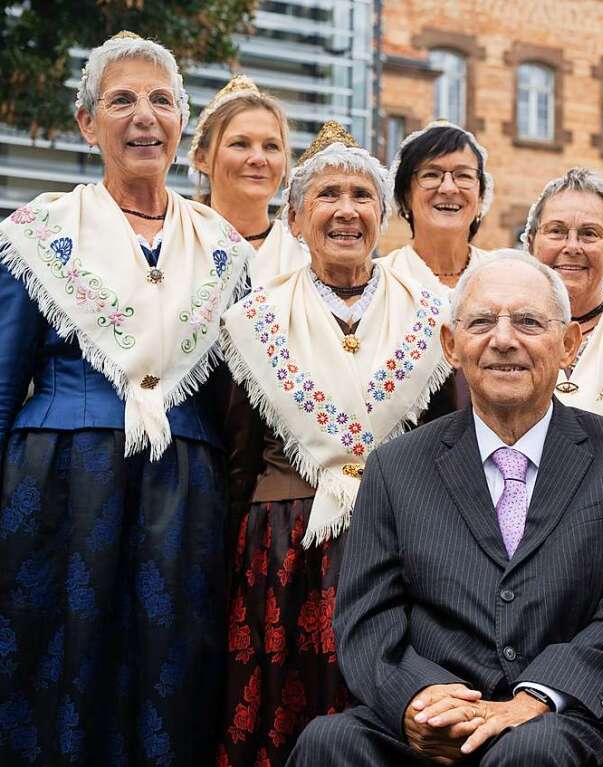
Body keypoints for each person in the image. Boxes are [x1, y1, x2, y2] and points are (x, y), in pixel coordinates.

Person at [288, 250, 603, 766]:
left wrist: (537, 697)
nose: (503, 340)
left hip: (573, 722)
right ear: (452, 345)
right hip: (439, 722)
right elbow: (367, 618)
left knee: (533, 751)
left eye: (527, 321)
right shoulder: (394, 466)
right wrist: (421, 699)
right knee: (329, 742)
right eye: (481, 322)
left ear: (568, 345)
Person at [0, 31, 251, 765]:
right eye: (122, 101)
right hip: (57, 487)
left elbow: (237, 401)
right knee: (58, 665)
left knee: (171, 671)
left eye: (161, 101)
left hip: (185, 494)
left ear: (180, 122)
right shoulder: (40, 233)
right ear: (87, 123)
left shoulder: (225, 249)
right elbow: (5, 378)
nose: (144, 116)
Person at [217, 122, 451, 767]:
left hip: (399, 544)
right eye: (326, 196)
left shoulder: (434, 313)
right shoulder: (254, 319)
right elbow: (237, 449)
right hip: (284, 543)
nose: (345, 210)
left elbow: (449, 438)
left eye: (361, 196)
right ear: (294, 218)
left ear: (383, 215)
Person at [382, 121, 493, 420]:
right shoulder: (378, 281)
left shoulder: (504, 276)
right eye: (431, 175)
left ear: (480, 196)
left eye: (463, 176)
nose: (448, 188)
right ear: (405, 195)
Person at [523, 168, 603, 418]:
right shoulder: (503, 324)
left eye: (589, 233)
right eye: (556, 231)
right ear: (530, 244)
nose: (572, 247)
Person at [189, 74, 306, 285]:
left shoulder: (307, 261)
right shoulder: (174, 243)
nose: (258, 159)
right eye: (240, 144)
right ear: (201, 158)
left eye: (271, 146)